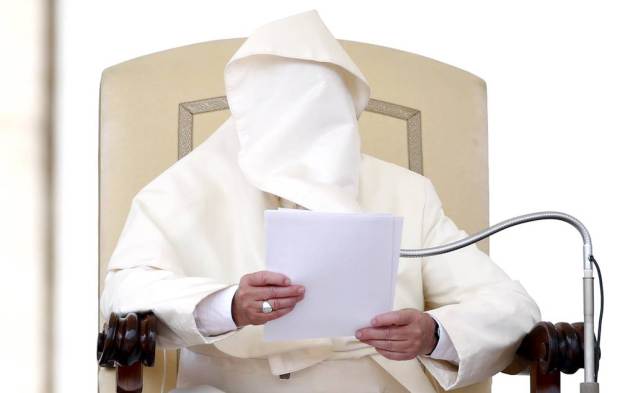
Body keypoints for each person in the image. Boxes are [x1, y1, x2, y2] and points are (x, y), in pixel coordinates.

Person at [100, 9, 540, 393]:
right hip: (229, 384)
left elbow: (508, 304)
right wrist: (228, 304)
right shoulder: (190, 185)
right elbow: (124, 291)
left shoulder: (406, 192)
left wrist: (435, 333)